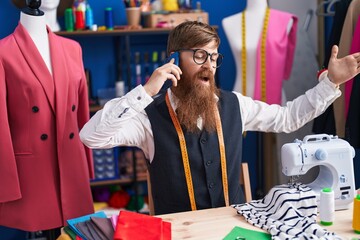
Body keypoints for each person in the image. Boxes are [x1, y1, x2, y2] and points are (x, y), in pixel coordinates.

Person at [80, 21, 360, 215]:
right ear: (174, 59)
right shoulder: (148, 118)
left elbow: (287, 118)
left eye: (213, 57)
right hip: (181, 233)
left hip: (233, 228)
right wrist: (144, 92)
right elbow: (90, 137)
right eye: (200, 56)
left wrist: (330, 83)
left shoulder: (236, 105)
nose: (209, 66)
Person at [0, 0, 94, 234]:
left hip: (72, 164)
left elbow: (82, 114)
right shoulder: (3, 53)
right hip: (31, 173)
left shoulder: (73, 49)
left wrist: (86, 164)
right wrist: (6, 185)